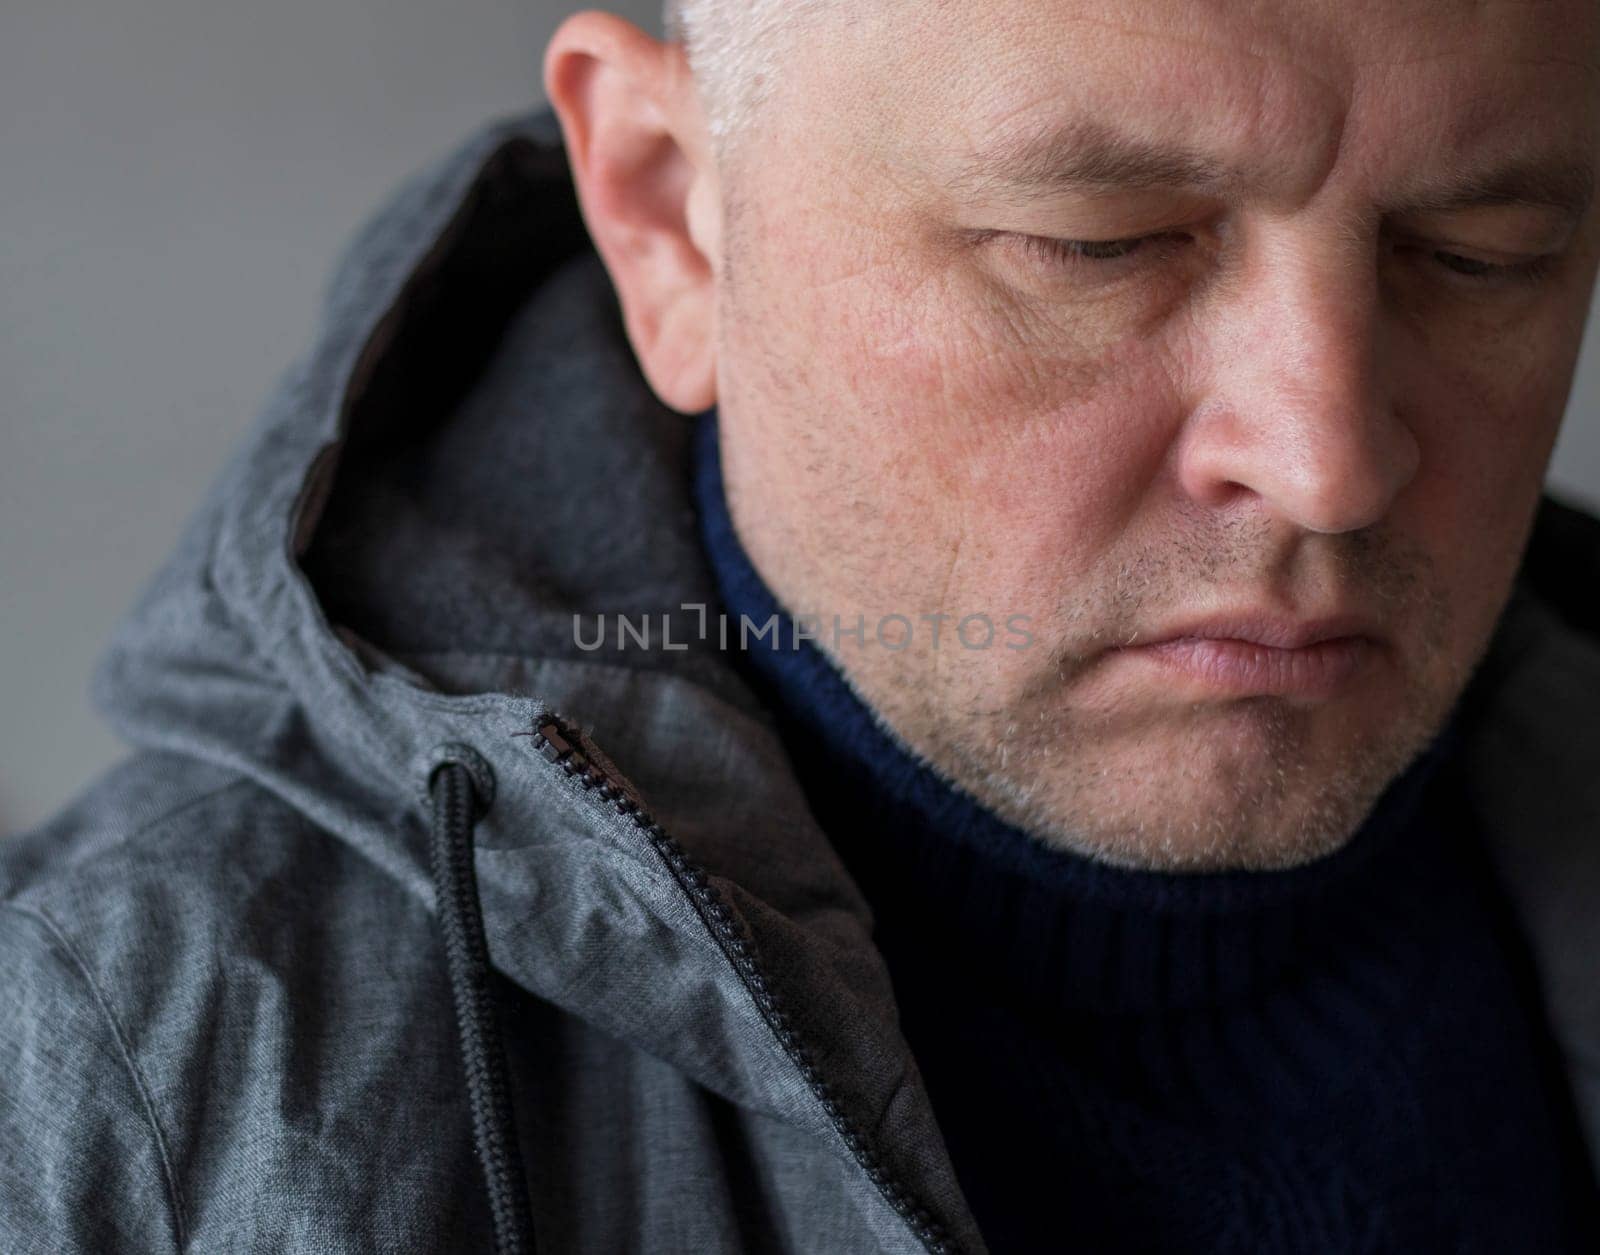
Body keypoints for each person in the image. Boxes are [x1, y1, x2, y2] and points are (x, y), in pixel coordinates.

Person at [4, 0, 1600, 1249]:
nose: (1330, 465)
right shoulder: (119, 1096)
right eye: (1097, 246)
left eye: (1482, 258)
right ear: (675, 220)